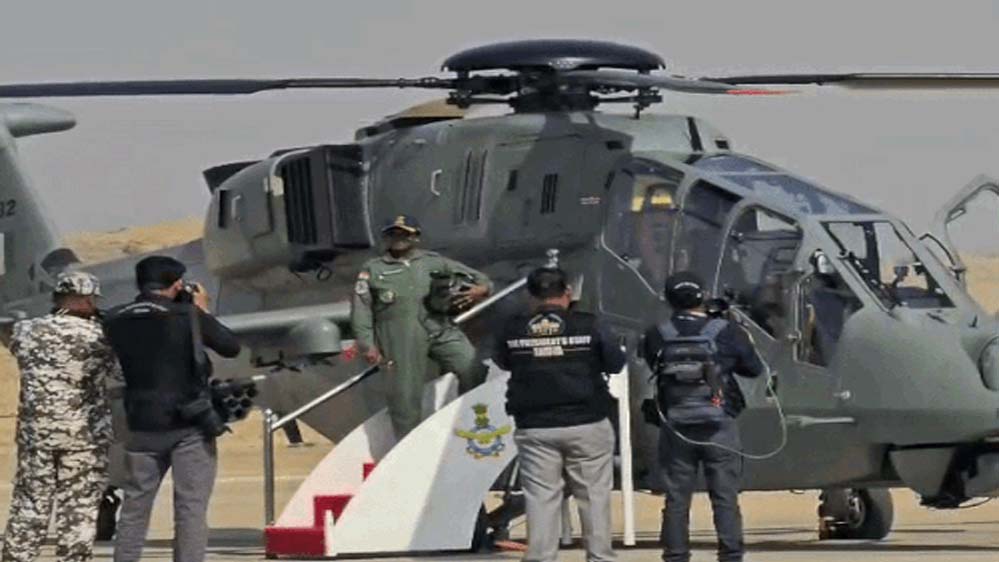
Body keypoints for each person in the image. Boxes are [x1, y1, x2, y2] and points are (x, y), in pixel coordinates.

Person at [102, 256, 241, 562]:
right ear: (177, 284)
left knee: (135, 508)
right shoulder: (187, 315)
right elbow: (230, 346)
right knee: (190, 508)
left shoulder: (114, 318)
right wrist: (202, 311)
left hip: (140, 423)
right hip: (189, 423)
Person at [494, 266, 626, 562]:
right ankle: (600, 557)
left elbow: (503, 361)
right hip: (587, 421)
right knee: (593, 496)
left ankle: (541, 558)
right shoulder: (589, 324)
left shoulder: (513, 327)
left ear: (530, 296)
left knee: (541, 497)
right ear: (567, 292)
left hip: (535, 425)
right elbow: (616, 363)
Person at [643, 271, 765, 562]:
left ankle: (675, 555)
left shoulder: (658, 333)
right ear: (704, 295)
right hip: (719, 423)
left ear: (668, 299)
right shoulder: (725, 330)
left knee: (676, 498)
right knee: (724, 497)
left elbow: (653, 365)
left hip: (676, 424)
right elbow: (754, 369)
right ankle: (730, 554)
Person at [1, 271, 120, 562]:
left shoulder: (25, 330)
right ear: (88, 299)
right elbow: (120, 374)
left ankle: (17, 557)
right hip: (84, 437)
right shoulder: (100, 336)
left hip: (36, 435)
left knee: (30, 502)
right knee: (79, 507)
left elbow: (11, 342)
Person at [350, 215, 491, 439]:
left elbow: (480, 279)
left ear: (416, 237)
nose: (398, 238)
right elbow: (362, 309)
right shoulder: (374, 269)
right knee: (405, 396)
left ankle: (464, 419)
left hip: (440, 327)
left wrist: (480, 290)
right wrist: (367, 344)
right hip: (399, 333)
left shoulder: (434, 262)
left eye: (404, 233)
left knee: (472, 367)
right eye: (393, 234)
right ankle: (408, 445)